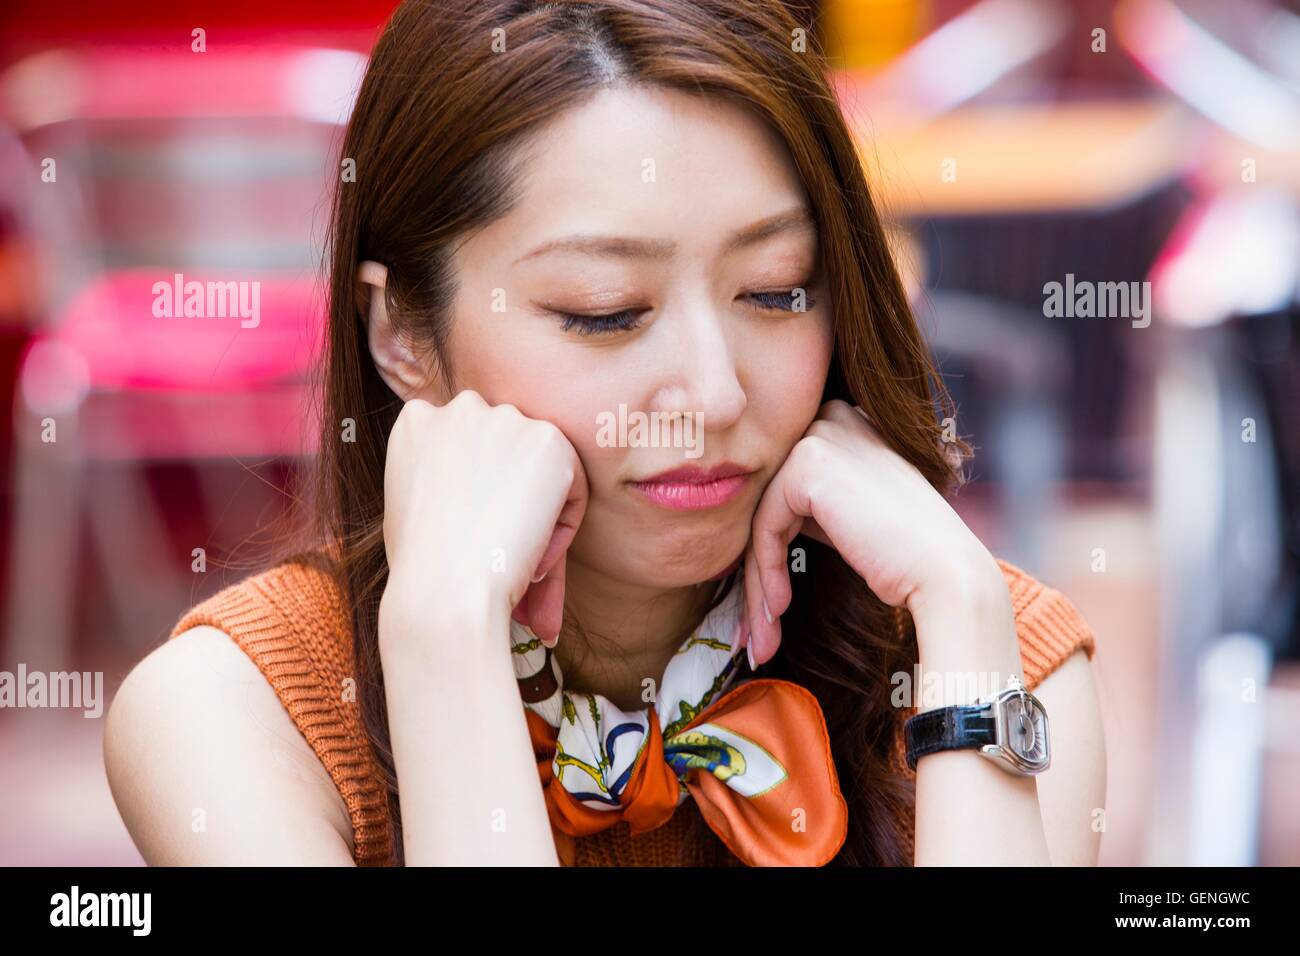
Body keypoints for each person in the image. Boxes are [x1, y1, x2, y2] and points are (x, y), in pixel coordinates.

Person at [104, 0, 1105, 866]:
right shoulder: (233, 715)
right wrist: (442, 639)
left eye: (773, 289)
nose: (712, 394)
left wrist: (967, 627)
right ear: (401, 331)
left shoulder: (985, 649)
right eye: (605, 309)